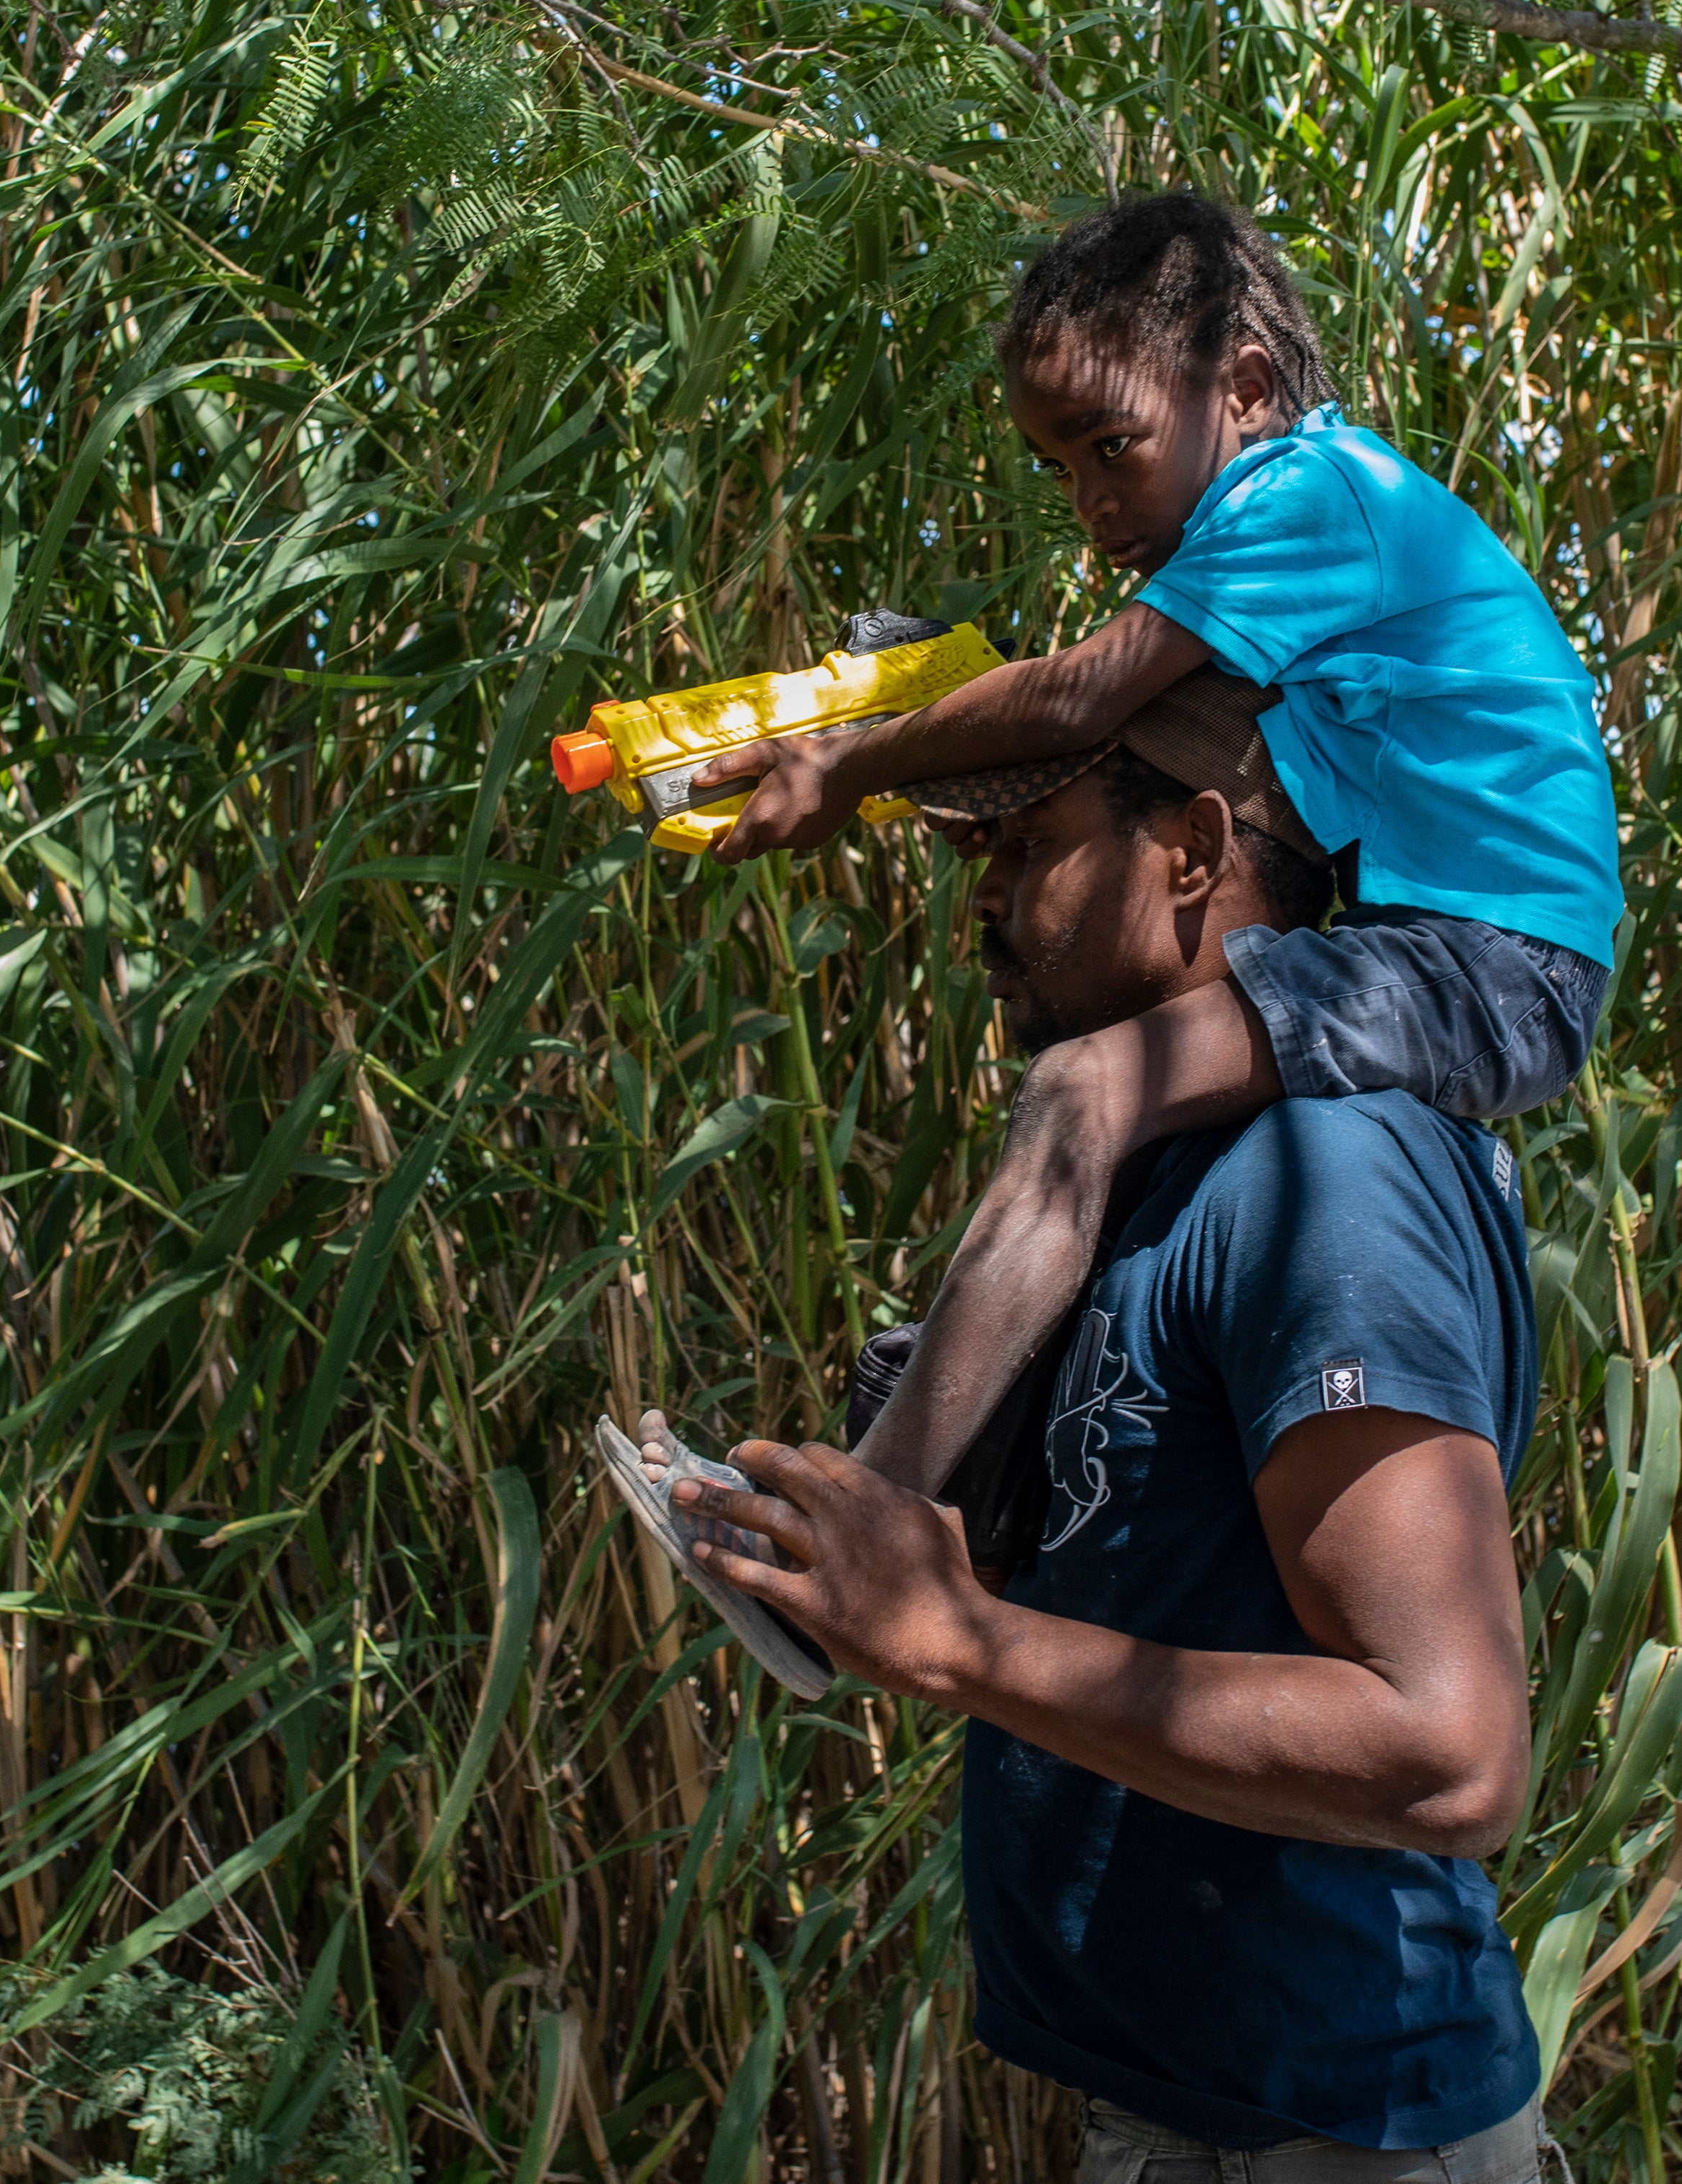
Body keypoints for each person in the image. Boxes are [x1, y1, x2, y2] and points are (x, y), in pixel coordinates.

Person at [665, 691, 1552, 2177]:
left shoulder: (1326, 1173)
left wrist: (959, 1640)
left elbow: (1447, 1755)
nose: (985, 897)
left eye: (1029, 841)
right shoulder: (1162, 1164)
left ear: (1195, 850)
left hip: (1333, 2134)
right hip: (1185, 2113)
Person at [691, 186, 1616, 1516]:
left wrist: (847, 764)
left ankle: (868, 1524)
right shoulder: (1309, 529)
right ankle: (969, 1480)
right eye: (1057, 468)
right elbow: (1117, 744)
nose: (1089, 501)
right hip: (1442, 941)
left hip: (1486, 961)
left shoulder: (1314, 496)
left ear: (1241, 385)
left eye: (1107, 446)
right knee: (1127, 1139)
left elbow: (1080, 699)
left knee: (1084, 1096)